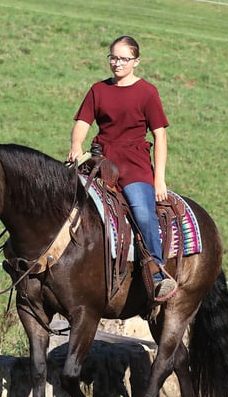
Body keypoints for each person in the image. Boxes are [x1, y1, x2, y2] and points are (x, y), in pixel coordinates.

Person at [68, 35, 178, 302]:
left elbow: (160, 136)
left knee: (142, 210)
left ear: (136, 62)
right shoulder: (98, 90)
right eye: (113, 57)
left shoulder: (147, 92)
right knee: (66, 197)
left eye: (124, 58)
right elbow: (83, 121)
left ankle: (157, 271)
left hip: (134, 163)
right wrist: (75, 144)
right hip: (101, 159)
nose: (117, 63)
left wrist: (159, 180)